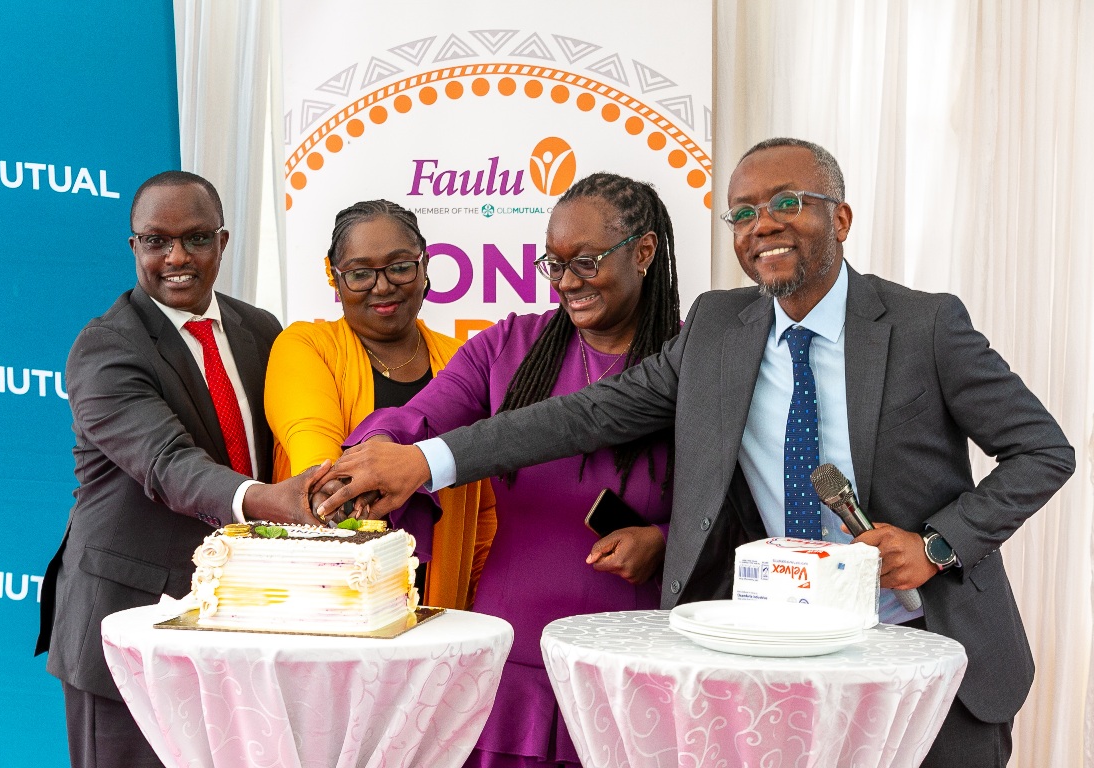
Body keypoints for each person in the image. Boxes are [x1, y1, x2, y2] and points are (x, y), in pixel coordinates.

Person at [321, 141, 1075, 768]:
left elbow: (1042, 450)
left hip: (925, 648)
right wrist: (425, 462)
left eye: (787, 203)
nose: (762, 225)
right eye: (742, 213)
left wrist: (938, 545)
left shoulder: (925, 325)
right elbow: (586, 414)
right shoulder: (719, 329)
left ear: (840, 217)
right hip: (776, 658)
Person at [336, 173, 684, 768]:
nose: (569, 282)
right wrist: (364, 462)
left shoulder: (688, 363)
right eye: (555, 264)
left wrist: (665, 541)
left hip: (637, 653)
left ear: (644, 252)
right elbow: (416, 421)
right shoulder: (510, 346)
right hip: (514, 649)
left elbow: (734, 505)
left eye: (588, 261)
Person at [35, 171, 329, 768]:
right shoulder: (105, 348)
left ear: (223, 242)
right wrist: (277, 502)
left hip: (239, 618)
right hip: (128, 623)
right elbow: (169, 465)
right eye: (156, 241)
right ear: (134, 246)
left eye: (196, 239)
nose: (176, 257)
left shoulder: (262, 330)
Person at [263, 199, 495, 609]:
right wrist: (328, 490)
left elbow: (483, 510)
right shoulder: (305, 346)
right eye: (360, 274)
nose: (383, 286)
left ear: (425, 267)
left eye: (400, 267)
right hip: (326, 598)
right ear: (334, 278)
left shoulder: (464, 360)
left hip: (438, 608)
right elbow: (312, 447)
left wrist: (470, 605)